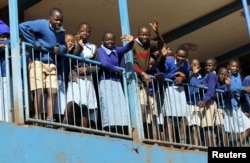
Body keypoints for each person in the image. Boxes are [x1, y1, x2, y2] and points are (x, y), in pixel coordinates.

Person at [19, 7, 66, 125]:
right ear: (49, 18)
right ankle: (37, 117)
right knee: (38, 90)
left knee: (53, 91)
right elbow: (22, 26)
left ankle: (50, 119)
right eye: (56, 20)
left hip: (51, 64)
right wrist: (35, 42)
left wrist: (60, 49)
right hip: (38, 61)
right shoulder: (42, 24)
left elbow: (64, 46)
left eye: (60, 20)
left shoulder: (61, 31)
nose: (58, 23)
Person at [98, 31, 134, 135]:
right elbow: (104, 63)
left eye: (112, 39)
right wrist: (116, 70)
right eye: (107, 39)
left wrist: (131, 42)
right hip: (106, 81)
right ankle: (108, 131)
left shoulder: (115, 49)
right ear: (102, 41)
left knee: (119, 106)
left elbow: (126, 48)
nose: (110, 41)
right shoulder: (101, 50)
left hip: (116, 82)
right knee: (108, 106)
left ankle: (120, 131)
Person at [133, 19, 164, 138]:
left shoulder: (148, 44)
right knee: (141, 109)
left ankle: (145, 135)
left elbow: (161, 45)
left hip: (144, 82)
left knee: (146, 111)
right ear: (138, 34)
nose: (145, 36)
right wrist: (143, 73)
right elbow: (131, 63)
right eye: (142, 34)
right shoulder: (133, 44)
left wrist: (157, 32)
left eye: (147, 35)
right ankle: (140, 135)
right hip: (136, 80)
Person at [64, 22, 99, 130]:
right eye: (83, 31)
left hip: (87, 79)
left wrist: (86, 69)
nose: (85, 33)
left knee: (85, 105)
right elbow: (71, 58)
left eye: (88, 31)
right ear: (78, 32)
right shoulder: (72, 43)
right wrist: (78, 46)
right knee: (71, 101)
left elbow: (98, 67)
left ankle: (83, 129)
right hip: (74, 77)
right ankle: (65, 124)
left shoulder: (93, 47)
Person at [162, 45, 190, 144]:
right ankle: (170, 141)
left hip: (181, 90)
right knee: (169, 116)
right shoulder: (168, 61)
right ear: (175, 55)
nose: (181, 58)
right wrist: (176, 74)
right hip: (169, 89)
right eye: (179, 56)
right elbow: (163, 75)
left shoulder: (187, 64)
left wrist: (183, 78)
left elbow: (187, 77)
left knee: (182, 117)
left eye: (183, 57)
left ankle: (183, 142)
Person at [224, 59, 250, 147]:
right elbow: (230, 88)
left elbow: (238, 88)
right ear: (228, 67)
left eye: (237, 66)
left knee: (248, 127)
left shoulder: (238, 75)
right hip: (229, 106)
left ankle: (238, 145)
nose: (235, 68)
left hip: (237, 106)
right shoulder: (227, 75)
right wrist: (244, 88)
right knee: (228, 129)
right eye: (233, 66)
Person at [197, 58, 218, 147]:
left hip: (209, 102)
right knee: (207, 126)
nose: (207, 67)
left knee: (208, 127)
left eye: (210, 65)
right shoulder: (207, 75)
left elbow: (211, 90)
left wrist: (204, 101)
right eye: (206, 65)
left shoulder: (212, 75)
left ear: (215, 66)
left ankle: (210, 147)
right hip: (207, 102)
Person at [54, 33, 73, 123]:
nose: (70, 43)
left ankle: (60, 121)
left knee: (62, 104)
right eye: (68, 41)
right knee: (55, 102)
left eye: (72, 41)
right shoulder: (59, 51)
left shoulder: (71, 55)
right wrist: (65, 55)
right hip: (56, 78)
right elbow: (57, 65)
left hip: (63, 81)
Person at [186, 59, 202, 146]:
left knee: (195, 126)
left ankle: (197, 146)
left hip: (197, 104)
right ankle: (188, 145)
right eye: (193, 64)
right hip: (188, 103)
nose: (195, 66)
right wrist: (192, 73)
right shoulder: (188, 73)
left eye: (197, 64)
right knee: (188, 126)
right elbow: (185, 80)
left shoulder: (200, 76)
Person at [214, 67, 229, 147]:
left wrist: (228, 85)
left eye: (225, 75)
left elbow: (229, 93)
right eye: (221, 74)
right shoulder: (214, 82)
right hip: (217, 108)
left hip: (225, 109)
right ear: (217, 74)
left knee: (225, 129)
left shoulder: (226, 83)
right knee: (220, 128)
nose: (222, 76)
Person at [0, 20, 11, 122]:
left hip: (6, 76)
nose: (5, 39)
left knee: (7, 102)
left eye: (7, 36)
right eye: (2, 37)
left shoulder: (9, 49)